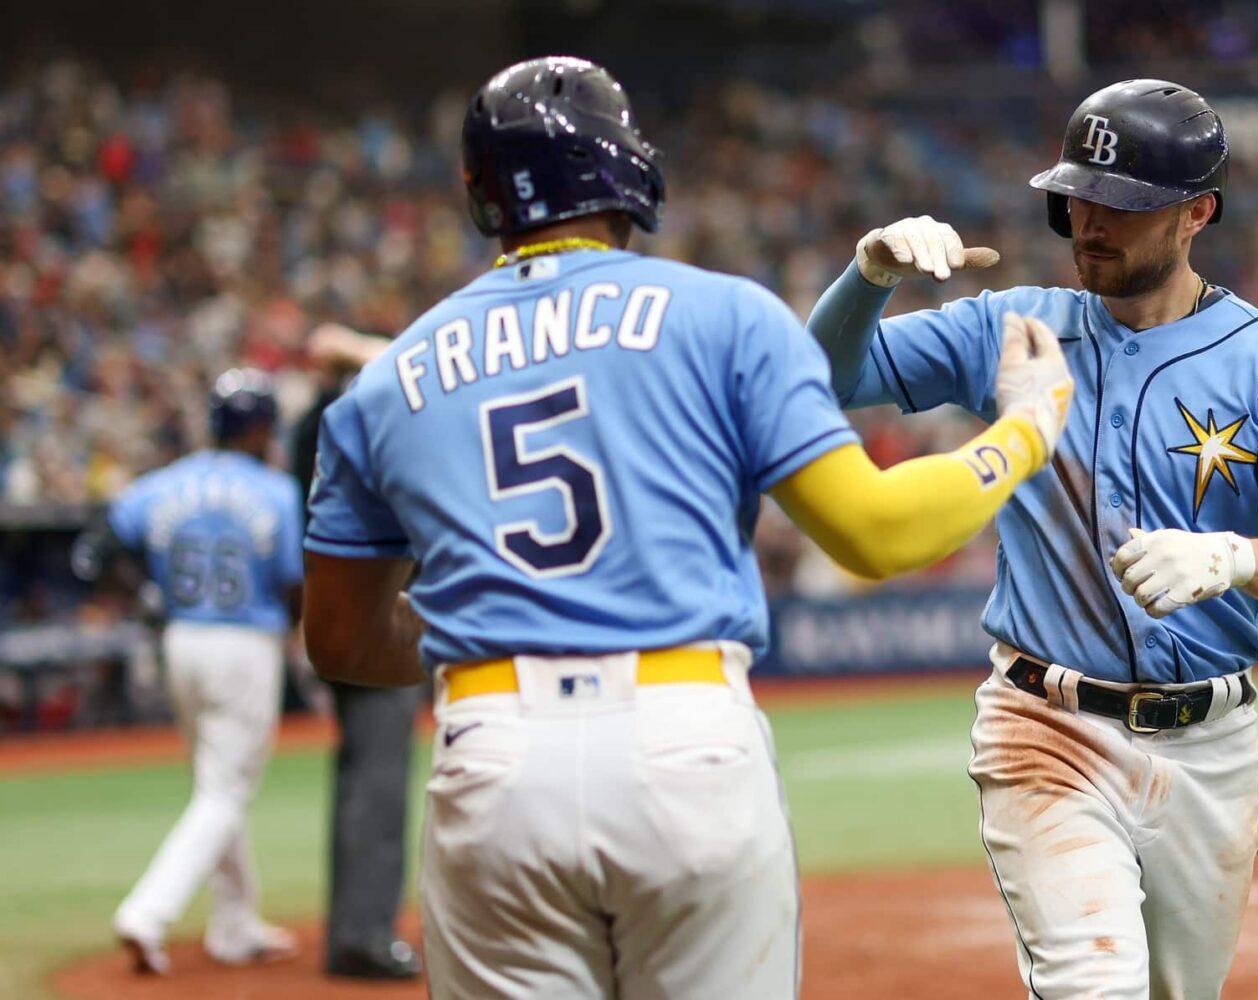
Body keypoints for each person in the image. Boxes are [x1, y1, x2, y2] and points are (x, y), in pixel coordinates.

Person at [300, 56, 1072, 999]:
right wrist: (1023, 433)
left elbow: (340, 641)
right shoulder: (723, 314)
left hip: (491, 754)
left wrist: (509, 620)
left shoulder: (383, 381)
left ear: (480, 194)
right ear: (630, 170)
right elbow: (876, 534)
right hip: (683, 737)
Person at [807, 79, 1258, 999]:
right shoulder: (1012, 326)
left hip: (1211, 750)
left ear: (1197, 213)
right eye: (1078, 196)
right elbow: (821, 380)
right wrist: (867, 279)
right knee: (1093, 987)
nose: (1090, 220)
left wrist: (1236, 557)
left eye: (1123, 205)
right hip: (1047, 727)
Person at [89, 369, 305, 975]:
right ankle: (147, 912)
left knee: (216, 784)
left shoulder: (163, 484)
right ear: (260, 427)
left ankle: (235, 924)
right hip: (245, 643)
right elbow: (293, 583)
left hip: (180, 641)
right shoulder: (274, 490)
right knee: (226, 792)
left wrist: (141, 594)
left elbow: (95, 548)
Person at [292, 324, 423, 980]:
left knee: (362, 775)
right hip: (374, 616)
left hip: (339, 611)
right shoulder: (353, 414)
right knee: (377, 777)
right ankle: (363, 934)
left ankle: (356, 926)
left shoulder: (312, 423)